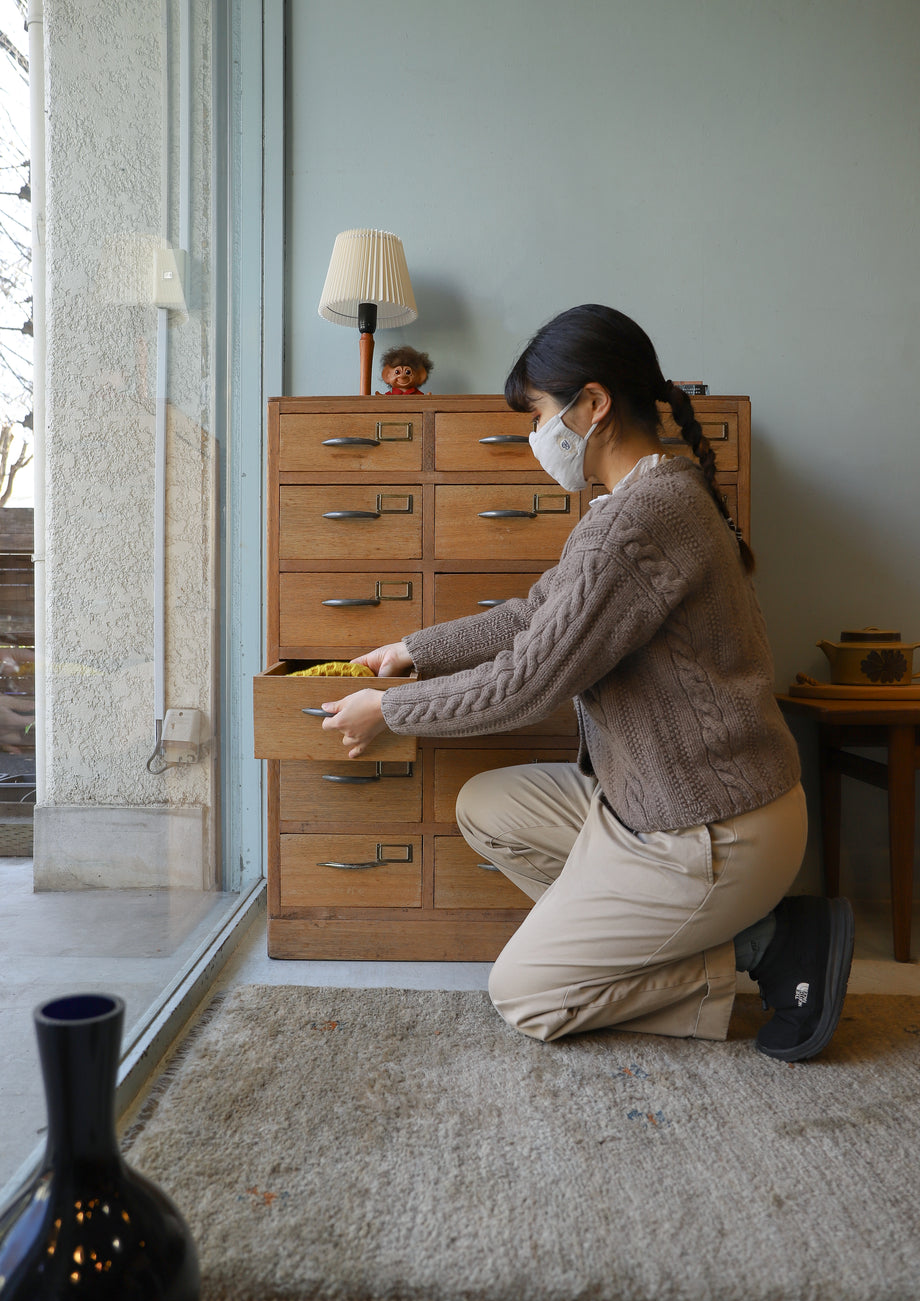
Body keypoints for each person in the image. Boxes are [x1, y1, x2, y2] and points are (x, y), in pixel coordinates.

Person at [321, 304, 854, 1062]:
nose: (533, 436)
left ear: (593, 405)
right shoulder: (649, 495)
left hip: (710, 828)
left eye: (538, 415)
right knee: (487, 806)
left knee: (527, 995)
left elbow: (524, 684)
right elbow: (536, 616)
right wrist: (412, 649)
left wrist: (393, 710)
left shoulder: (636, 520)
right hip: (661, 799)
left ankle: (763, 948)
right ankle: (697, 929)